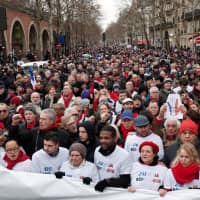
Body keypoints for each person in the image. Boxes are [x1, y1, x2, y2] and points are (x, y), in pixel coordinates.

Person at [94, 125, 132, 192]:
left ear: (114, 139)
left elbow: (125, 180)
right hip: (98, 191)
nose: (103, 141)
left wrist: (107, 182)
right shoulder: (97, 151)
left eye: (106, 138)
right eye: (101, 138)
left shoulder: (124, 155)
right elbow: (94, 171)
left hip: (114, 193)